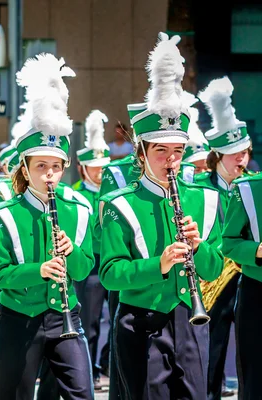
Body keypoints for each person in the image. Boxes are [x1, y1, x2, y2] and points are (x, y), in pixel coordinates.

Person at [99, 33, 223, 399]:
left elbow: (214, 270)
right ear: (142, 151)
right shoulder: (120, 204)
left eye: (178, 151)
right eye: (161, 151)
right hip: (140, 322)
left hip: (191, 319)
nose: (171, 160)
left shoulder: (205, 199)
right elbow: (109, 274)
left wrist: (198, 248)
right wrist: (160, 264)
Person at [0, 53, 94, 400]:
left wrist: (71, 251)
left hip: (66, 316)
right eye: (41, 166)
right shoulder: (5, 214)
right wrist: (40, 270)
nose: (49, 175)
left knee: (82, 392)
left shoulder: (78, 208)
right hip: (20, 320)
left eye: (56, 167)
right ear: (26, 168)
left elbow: (84, 267)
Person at [196, 76, 253, 400]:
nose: (241, 160)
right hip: (212, 281)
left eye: (244, 153)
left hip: (247, 281)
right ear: (217, 155)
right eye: (234, 155)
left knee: (248, 354)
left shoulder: (250, 186)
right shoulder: (202, 189)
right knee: (212, 352)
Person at [73, 110, 111, 391]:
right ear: (82, 168)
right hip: (91, 265)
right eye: (94, 167)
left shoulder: (112, 191)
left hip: (114, 260)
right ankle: (92, 369)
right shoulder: (75, 194)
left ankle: (109, 362)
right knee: (91, 321)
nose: (100, 172)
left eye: (102, 167)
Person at [221, 172, 262, 400]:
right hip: (257, 290)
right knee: (254, 377)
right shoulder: (247, 188)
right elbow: (229, 243)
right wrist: (257, 250)